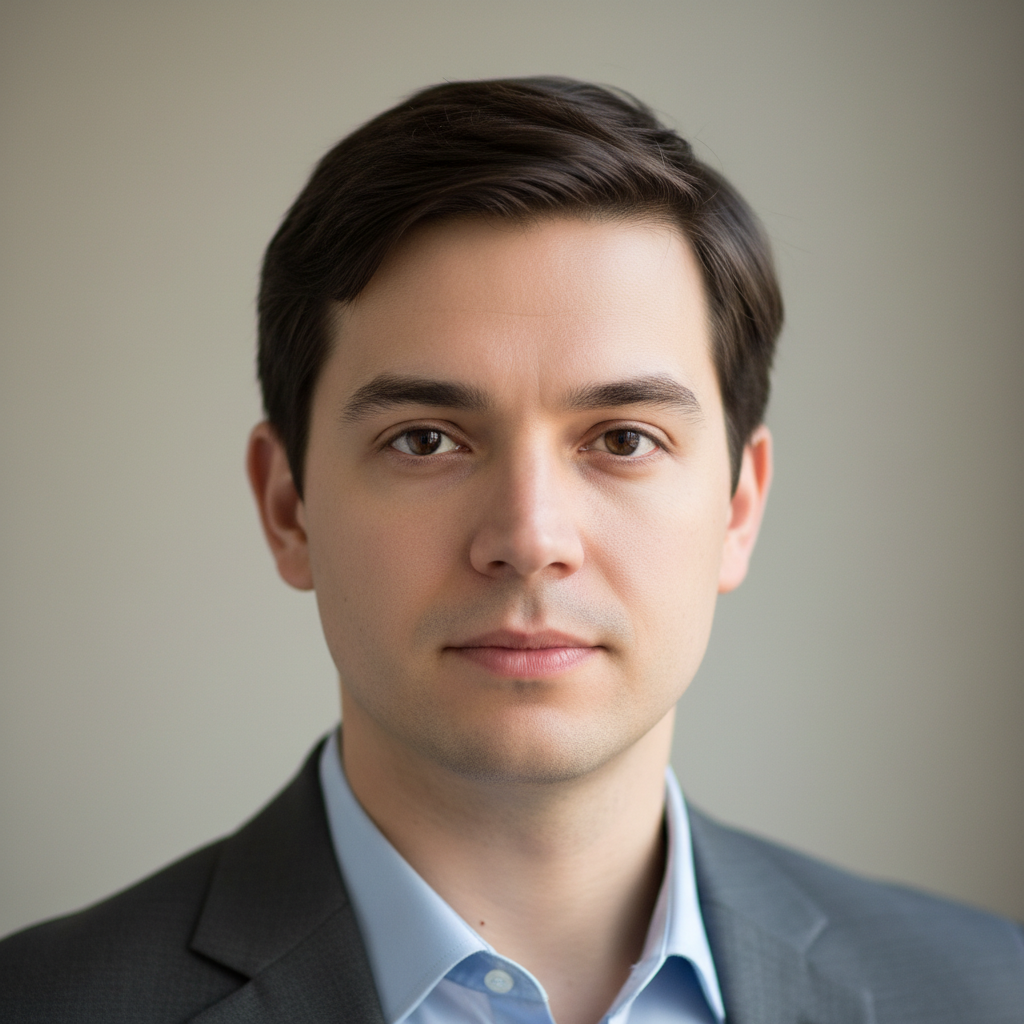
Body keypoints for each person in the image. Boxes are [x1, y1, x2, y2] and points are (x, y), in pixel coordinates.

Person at [0, 76, 1020, 1024]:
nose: (530, 540)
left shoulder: (988, 990)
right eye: (424, 441)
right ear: (287, 508)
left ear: (738, 507)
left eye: (624, 439)